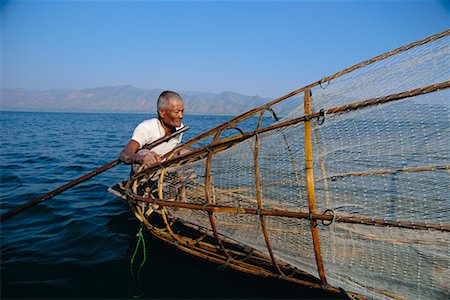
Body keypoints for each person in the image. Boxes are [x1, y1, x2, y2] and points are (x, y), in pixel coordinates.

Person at [119, 90, 185, 175]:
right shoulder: (147, 128)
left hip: (167, 168)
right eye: (176, 112)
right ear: (162, 112)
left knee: (184, 150)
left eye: (182, 111)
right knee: (143, 153)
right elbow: (125, 154)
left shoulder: (180, 128)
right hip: (148, 174)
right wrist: (141, 158)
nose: (181, 116)